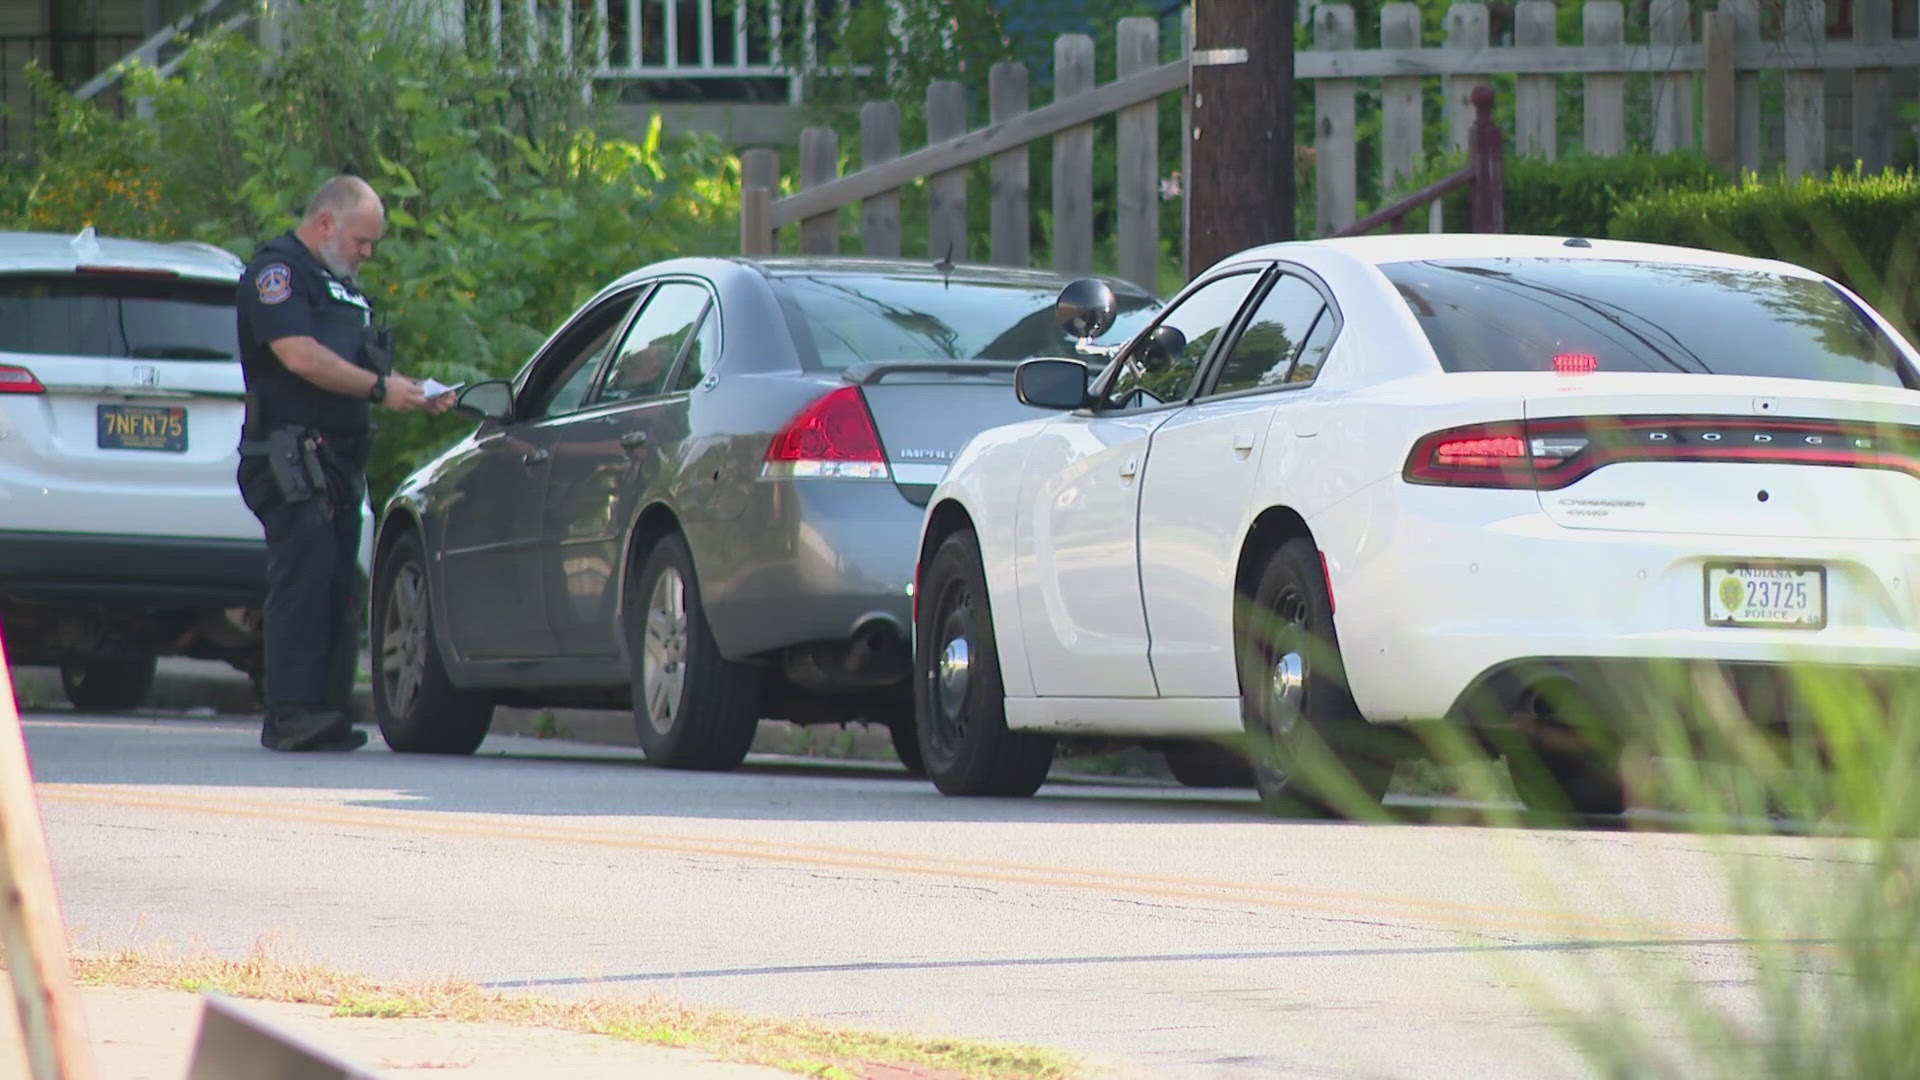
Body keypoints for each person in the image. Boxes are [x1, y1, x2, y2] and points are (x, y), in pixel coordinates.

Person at [235, 175, 454, 752]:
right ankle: (290, 713)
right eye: (362, 240)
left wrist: (409, 389)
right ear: (326, 222)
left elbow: (355, 369)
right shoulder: (278, 273)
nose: (367, 252)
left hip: (335, 460)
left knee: (337, 583)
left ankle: (322, 710)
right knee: (303, 576)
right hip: (290, 455)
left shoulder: (341, 287)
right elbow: (299, 356)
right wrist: (381, 389)